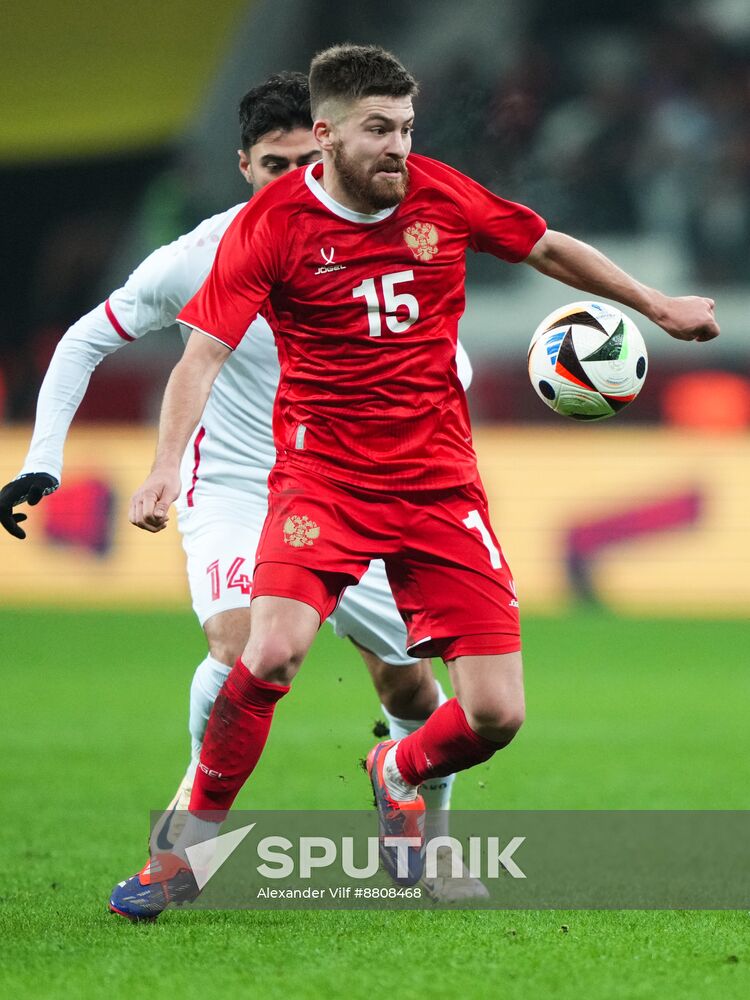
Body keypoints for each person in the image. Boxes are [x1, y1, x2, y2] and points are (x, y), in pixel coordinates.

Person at [112, 44, 719, 919]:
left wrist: (655, 306)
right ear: (324, 135)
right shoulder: (272, 224)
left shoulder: (440, 191)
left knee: (494, 717)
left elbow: (542, 243)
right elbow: (201, 352)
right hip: (320, 483)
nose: (399, 146)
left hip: (439, 491)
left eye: (406, 127)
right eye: (378, 130)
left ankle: (394, 767)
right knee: (270, 651)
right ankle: (181, 855)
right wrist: (167, 467)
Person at [0, 72, 481, 903]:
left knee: (410, 685)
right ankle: (185, 847)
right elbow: (82, 341)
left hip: (352, 485)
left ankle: (424, 837)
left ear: (332, 147)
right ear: (244, 167)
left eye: (308, 156)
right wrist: (46, 455)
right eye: (274, 162)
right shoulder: (197, 258)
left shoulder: (383, 238)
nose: (294, 175)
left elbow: (437, 357)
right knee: (240, 646)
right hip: (235, 490)